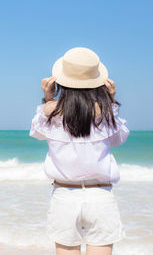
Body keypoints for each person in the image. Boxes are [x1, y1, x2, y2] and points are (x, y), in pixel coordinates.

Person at [29, 47, 130, 255]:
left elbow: (37, 133)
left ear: (61, 83)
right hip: (100, 195)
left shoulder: (50, 115)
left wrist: (47, 98)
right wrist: (110, 101)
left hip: (64, 194)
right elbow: (119, 138)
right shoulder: (106, 114)